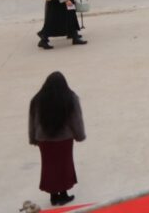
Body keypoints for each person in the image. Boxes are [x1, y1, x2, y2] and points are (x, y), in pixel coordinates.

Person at [29, 71, 86, 207]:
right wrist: (79, 135)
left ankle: (53, 196)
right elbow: (76, 120)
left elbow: (32, 121)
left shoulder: (37, 99)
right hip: (64, 140)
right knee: (64, 165)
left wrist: (33, 138)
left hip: (44, 140)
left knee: (49, 167)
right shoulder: (70, 98)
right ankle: (63, 195)